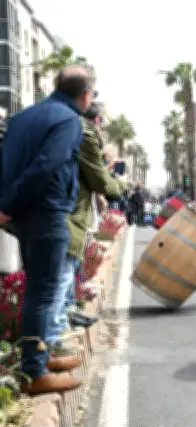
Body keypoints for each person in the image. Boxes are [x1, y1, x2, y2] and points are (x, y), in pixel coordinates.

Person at [0, 65, 94, 394]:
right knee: (43, 293)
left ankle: (40, 356)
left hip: (25, 214)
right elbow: (48, 164)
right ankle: (35, 372)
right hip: (46, 213)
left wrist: (8, 204)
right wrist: (8, 204)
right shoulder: (69, 120)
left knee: (37, 290)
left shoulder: (23, 117)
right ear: (86, 95)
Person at [49, 102, 125, 353]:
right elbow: (98, 179)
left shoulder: (63, 127)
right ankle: (57, 333)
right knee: (63, 272)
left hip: (66, 209)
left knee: (69, 267)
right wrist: (119, 184)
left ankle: (68, 313)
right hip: (68, 211)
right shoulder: (83, 132)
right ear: (97, 120)